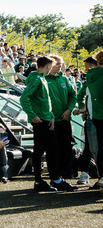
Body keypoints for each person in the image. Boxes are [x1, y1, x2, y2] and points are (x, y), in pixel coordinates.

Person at [19, 56, 74, 192]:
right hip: (41, 121)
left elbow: (45, 101)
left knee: (50, 149)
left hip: (47, 119)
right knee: (42, 150)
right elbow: (24, 98)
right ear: (48, 66)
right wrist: (33, 115)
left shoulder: (41, 78)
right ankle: (44, 180)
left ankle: (49, 179)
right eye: (52, 65)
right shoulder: (37, 78)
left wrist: (51, 117)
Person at [44, 55, 77, 180]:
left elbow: (73, 96)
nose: (60, 66)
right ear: (50, 64)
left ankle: (67, 173)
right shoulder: (44, 79)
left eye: (61, 64)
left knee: (67, 147)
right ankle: (55, 174)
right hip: (51, 121)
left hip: (65, 119)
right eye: (57, 63)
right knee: (53, 148)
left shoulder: (64, 79)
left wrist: (69, 109)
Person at [75, 51, 103, 189]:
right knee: (94, 150)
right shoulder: (92, 79)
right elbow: (81, 95)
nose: (86, 70)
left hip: (95, 117)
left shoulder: (91, 78)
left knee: (96, 150)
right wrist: (83, 108)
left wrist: (84, 108)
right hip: (93, 118)